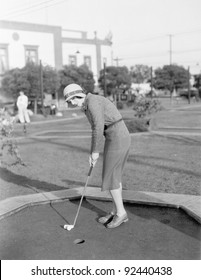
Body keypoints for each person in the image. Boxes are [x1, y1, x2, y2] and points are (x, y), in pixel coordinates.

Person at [63, 83, 131, 229]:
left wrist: (94, 152)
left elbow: (98, 128)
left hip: (118, 137)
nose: (71, 104)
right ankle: (115, 210)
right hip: (116, 136)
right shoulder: (88, 104)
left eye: (70, 101)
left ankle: (121, 213)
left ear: (76, 96)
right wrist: (94, 151)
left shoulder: (92, 103)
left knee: (110, 176)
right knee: (113, 176)